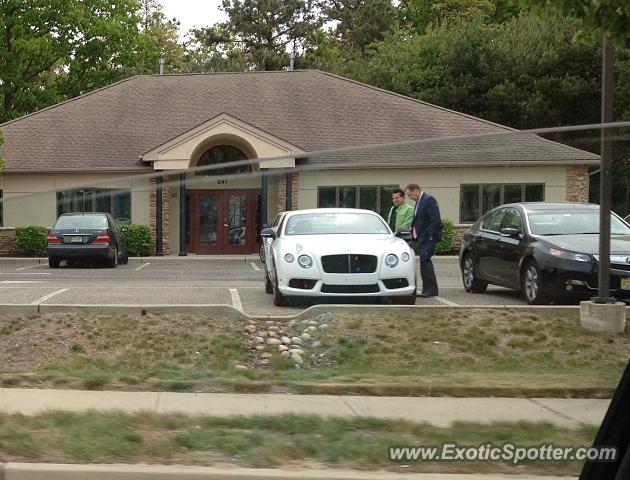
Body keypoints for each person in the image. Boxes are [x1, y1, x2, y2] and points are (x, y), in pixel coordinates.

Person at [405, 183, 442, 298]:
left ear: (416, 190)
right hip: (422, 237)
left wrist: (432, 234)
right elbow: (418, 220)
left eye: (410, 194)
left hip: (428, 237)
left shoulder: (428, 200)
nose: (410, 197)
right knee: (423, 261)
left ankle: (431, 289)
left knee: (426, 260)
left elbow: (435, 218)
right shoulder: (419, 202)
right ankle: (427, 288)